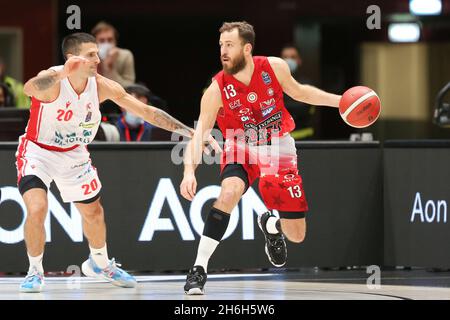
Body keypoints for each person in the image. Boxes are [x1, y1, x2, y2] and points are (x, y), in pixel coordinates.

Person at [16, 32, 217, 293]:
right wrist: (61, 73)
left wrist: (192, 132)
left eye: (97, 54)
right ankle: (35, 270)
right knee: (37, 208)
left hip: (74, 152)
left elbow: (147, 112)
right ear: (72, 58)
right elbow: (29, 88)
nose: (98, 59)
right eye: (91, 55)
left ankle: (99, 263)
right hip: (39, 151)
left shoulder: (100, 85)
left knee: (94, 212)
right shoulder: (54, 80)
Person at [180, 21, 342, 295]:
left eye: (229, 45)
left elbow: (301, 93)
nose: (223, 51)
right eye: (221, 45)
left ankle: (270, 224)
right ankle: (199, 269)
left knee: (297, 234)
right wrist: (188, 171)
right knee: (229, 192)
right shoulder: (217, 89)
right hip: (239, 145)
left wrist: (342, 102)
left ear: (246, 48)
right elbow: (199, 135)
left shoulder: (274, 67)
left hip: (279, 146)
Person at [280, 45, 316, 140]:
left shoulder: (307, 84)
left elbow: (304, 109)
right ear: (280, 61)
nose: (289, 60)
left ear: (299, 61)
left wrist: (282, 106)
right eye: (285, 57)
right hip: (281, 140)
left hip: (305, 140)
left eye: (293, 57)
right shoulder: (273, 84)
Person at [91, 21, 136, 87]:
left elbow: (129, 87)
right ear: (94, 42)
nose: (106, 44)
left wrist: (110, 67)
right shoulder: (88, 58)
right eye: (102, 40)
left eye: (110, 40)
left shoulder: (125, 55)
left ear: (115, 41)